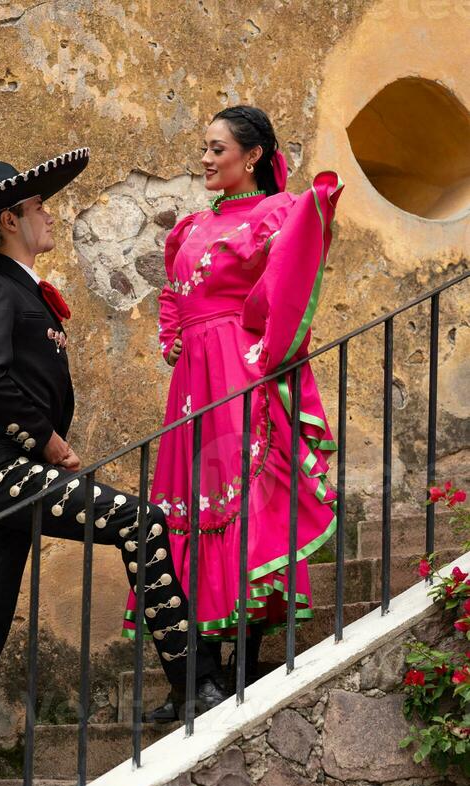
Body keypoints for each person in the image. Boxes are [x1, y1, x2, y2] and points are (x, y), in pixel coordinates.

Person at [0, 149, 229, 786]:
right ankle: (194, 680)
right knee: (139, 521)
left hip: (7, 479)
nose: (50, 214)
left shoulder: (19, 291)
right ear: (12, 220)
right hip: (4, 473)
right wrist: (50, 445)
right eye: (40, 207)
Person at [123, 106, 345, 722]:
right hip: (193, 378)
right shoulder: (190, 225)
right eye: (203, 148)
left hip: (237, 370)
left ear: (251, 156)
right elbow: (173, 289)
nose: (205, 159)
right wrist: (173, 336)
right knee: (188, 505)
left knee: (240, 499)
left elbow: (289, 275)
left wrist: (262, 347)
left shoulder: (276, 212)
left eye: (217, 148)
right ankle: (200, 673)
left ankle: (242, 660)